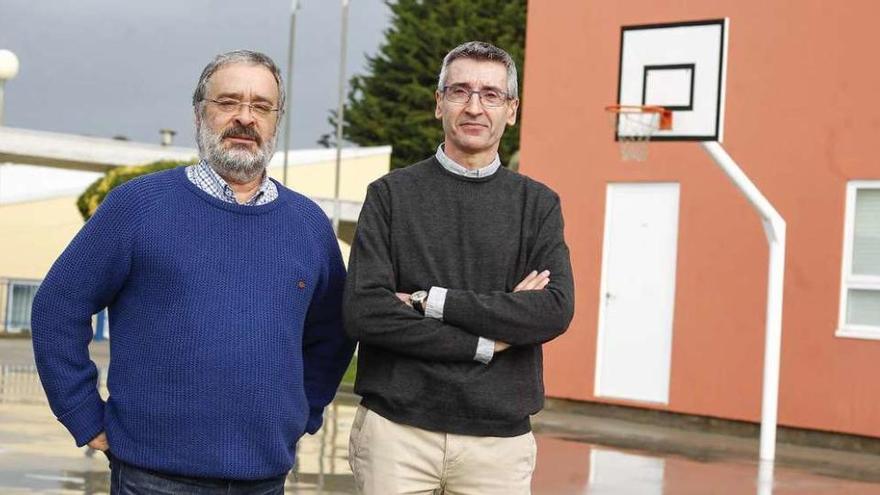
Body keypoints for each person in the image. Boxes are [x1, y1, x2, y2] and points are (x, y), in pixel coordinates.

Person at [31, 50, 354, 494]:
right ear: (200, 112)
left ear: (276, 120)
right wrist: (83, 415)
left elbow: (333, 332)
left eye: (261, 106)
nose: (245, 117)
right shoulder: (137, 207)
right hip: (152, 478)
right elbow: (57, 307)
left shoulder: (308, 225)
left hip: (263, 478)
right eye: (228, 102)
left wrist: (303, 413)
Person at [343, 41, 575, 495]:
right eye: (459, 91)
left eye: (490, 95)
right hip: (397, 435)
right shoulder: (390, 195)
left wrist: (430, 301)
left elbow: (553, 310)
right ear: (438, 103)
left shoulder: (538, 205)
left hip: (498, 446)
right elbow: (365, 311)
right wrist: (486, 342)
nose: (474, 107)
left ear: (511, 110)